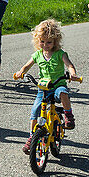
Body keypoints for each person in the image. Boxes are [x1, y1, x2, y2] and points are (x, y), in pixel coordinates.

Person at [14, 19, 79, 153]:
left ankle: (68, 115)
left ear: (56, 41)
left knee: (63, 93)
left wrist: (72, 74)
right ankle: (32, 137)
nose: (45, 45)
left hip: (57, 86)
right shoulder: (37, 55)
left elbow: (69, 65)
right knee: (34, 114)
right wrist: (21, 72)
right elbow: (27, 65)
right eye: (42, 42)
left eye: (49, 42)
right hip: (43, 89)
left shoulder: (60, 54)